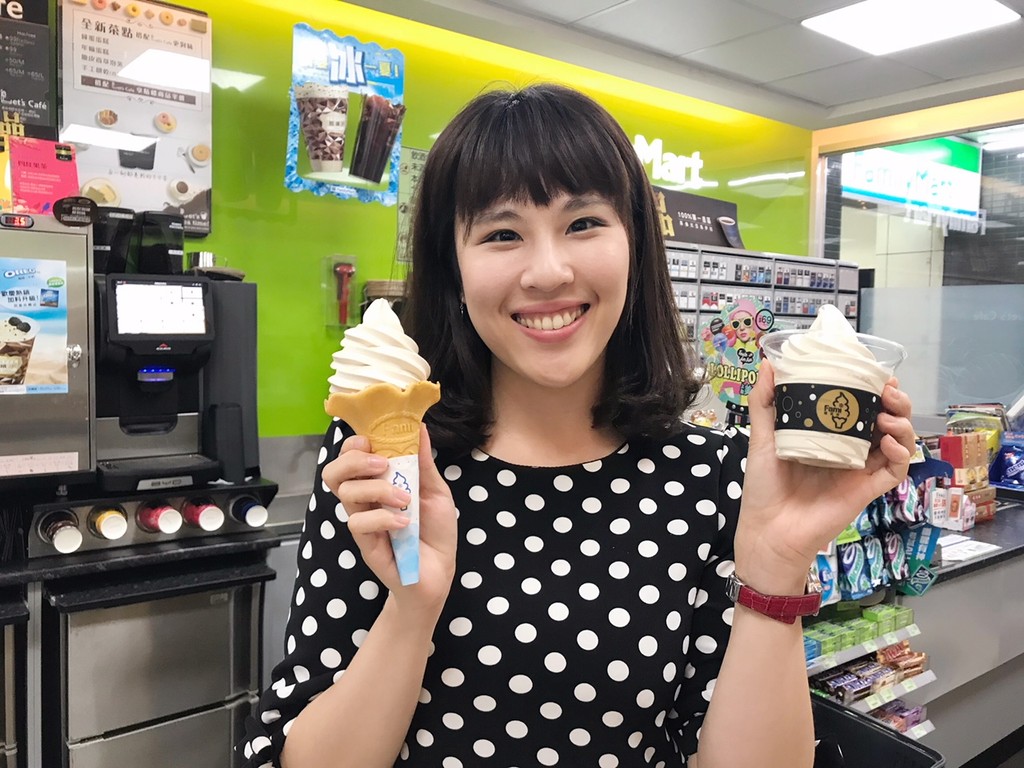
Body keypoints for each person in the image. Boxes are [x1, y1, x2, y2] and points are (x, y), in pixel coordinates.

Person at [239, 83, 916, 768]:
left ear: (635, 244)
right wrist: (412, 607)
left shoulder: (713, 475)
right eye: (502, 234)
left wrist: (777, 567)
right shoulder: (389, 467)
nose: (548, 272)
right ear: (453, 268)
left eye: (584, 223)